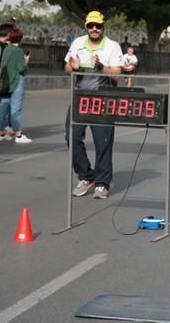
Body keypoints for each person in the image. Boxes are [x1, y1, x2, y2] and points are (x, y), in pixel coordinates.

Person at [64, 11, 123, 199]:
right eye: (91, 26)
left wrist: (101, 67)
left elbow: (116, 75)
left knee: (103, 143)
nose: (94, 29)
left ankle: (102, 183)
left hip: (104, 100)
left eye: (98, 25)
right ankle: (86, 176)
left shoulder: (112, 47)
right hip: (80, 98)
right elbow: (67, 68)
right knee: (71, 138)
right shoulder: (77, 43)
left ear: (103, 26)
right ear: (86, 27)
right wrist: (73, 67)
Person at [0, 28, 32, 143]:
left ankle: (1, 132)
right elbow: (22, 68)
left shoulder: (7, 50)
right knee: (15, 110)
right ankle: (18, 135)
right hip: (17, 81)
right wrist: (26, 60)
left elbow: (3, 65)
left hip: (5, 82)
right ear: (21, 38)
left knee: (3, 107)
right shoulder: (19, 51)